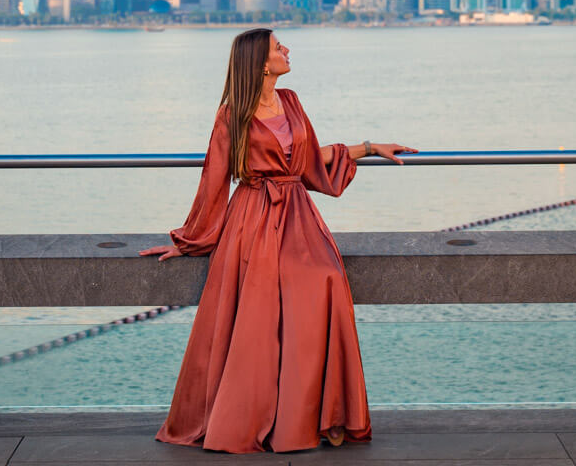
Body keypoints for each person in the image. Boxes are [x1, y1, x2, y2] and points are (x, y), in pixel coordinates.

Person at [140, 26, 417, 454]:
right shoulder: (231, 116)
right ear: (262, 63)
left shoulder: (290, 101)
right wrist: (189, 240)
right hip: (253, 218)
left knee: (326, 281)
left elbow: (307, 159)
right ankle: (264, 418)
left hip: (299, 216)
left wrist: (367, 147)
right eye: (277, 47)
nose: (286, 49)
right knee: (261, 320)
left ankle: (326, 414)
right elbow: (213, 182)